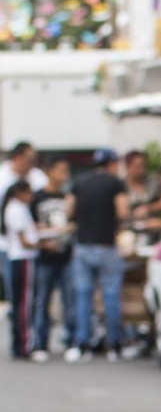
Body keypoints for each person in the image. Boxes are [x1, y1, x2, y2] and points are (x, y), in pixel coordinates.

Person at [65, 148, 129, 363]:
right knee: (111, 295)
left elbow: (68, 211)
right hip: (107, 245)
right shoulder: (115, 184)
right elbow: (123, 212)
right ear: (111, 163)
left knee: (83, 296)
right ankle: (115, 345)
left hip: (83, 246)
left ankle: (83, 344)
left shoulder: (79, 183)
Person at [31, 158, 75, 363]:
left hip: (66, 255)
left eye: (67, 171)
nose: (65, 175)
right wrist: (45, 238)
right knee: (43, 301)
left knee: (69, 301)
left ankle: (70, 342)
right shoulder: (37, 197)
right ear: (49, 171)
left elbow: (74, 221)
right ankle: (40, 343)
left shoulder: (68, 196)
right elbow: (30, 226)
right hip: (44, 257)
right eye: (61, 170)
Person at [0, 141, 47, 321]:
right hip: (9, 245)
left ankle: (26, 326)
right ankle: (20, 328)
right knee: (16, 293)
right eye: (29, 159)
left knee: (31, 293)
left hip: (30, 248)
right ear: (17, 158)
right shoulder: (2, 176)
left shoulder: (37, 177)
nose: (32, 163)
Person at [3, 180, 37, 359]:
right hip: (22, 258)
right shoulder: (16, 209)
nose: (31, 196)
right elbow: (24, 240)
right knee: (23, 304)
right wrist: (45, 244)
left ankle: (18, 344)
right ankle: (23, 345)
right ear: (20, 192)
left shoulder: (15, 207)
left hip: (18, 258)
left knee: (19, 303)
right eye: (29, 192)